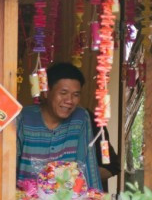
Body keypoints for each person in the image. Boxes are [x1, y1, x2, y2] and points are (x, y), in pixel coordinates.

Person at [16, 62, 102, 191]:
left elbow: (87, 163)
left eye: (76, 95)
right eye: (63, 93)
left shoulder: (80, 118)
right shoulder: (24, 118)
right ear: (46, 92)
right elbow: (9, 164)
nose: (69, 100)